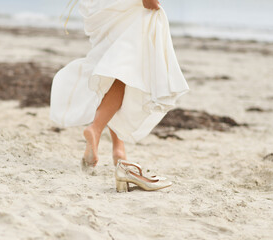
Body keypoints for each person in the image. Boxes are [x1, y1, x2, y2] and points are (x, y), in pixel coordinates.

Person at [50, 0, 189, 171]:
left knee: (116, 71)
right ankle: (96, 129)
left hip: (104, 8)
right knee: (123, 72)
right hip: (127, 11)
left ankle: (118, 147)